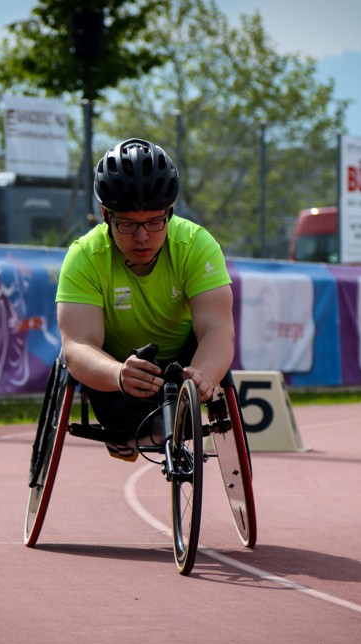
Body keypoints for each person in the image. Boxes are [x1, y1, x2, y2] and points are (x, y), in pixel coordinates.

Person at [55, 138, 234, 460]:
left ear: (170, 212)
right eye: (127, 224)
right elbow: (77, 345)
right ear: (105, 214)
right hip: (116, 367)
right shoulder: (84, 256)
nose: (142, 236)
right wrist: (117, 374)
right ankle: (127, 431)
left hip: (183, 361)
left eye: (154, 222)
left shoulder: (197, 245)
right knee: (121, 429)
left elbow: (216, 329)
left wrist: (205, 374)